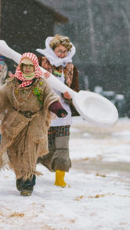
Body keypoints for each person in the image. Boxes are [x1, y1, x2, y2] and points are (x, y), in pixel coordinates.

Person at [0, 52, 67, 196]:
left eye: (30, 66)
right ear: (20, 66)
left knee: (29, 150)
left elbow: (50, 97)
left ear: (34, 67)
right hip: (15, 121)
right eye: (24, 66)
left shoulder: (40, 83)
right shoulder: (12, 83)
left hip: (35, 121)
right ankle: (21, 176)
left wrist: (58, 109)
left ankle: (28, 183)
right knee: (16, 152)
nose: (27, 69)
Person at [36, 34, 79, 187]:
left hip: (63, 115)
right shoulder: (40, 63)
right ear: (52, 49)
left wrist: (69, 96)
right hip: (44, 113)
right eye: (59, 51)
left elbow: (75, 90)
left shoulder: (70, 68)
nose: (62, 54)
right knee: (40, 146)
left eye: (65, 51)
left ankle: (60, 178)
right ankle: (29, 174)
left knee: (62, 147)